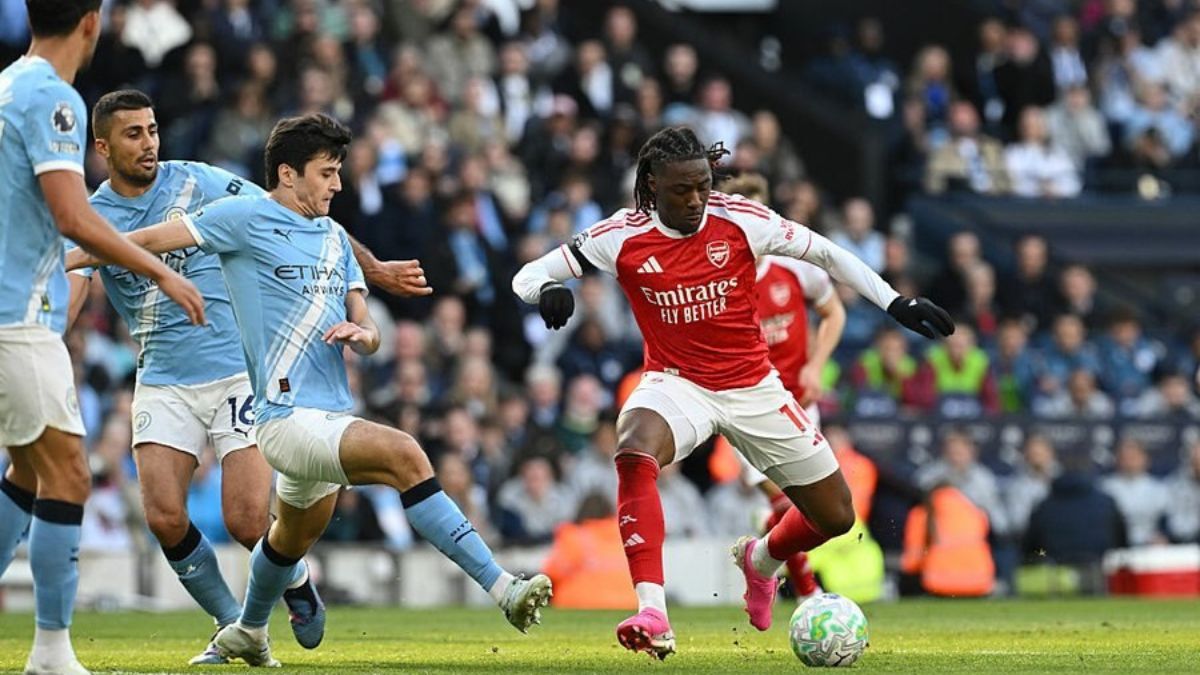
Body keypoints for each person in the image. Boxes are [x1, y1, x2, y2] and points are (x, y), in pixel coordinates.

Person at [67, 113, 551, 667]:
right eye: (327, 173)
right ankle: (504, 589)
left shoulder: (333, 238)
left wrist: (363, 335)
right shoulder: (242, 217)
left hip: (328, 414)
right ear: (288, 174)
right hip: (281, 417)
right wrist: (67, 255)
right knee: (405, 454)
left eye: (339, 172)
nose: (338, 185)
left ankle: (248, 631)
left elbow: (367, 326)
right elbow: (148, 240)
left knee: (281, 540)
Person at [511, 126, 953, 658]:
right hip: (677, 383)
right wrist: (548, 288)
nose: (696, 199)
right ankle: (653, 612)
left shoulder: (741, 219)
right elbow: (526, 275)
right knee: (633, 448)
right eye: (682, 189)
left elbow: (827, 254)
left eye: (703, 185)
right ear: (651, 186)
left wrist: (896, 302)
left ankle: (761, 560)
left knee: (836, 516)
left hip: (753, 387)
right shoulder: (619, 235)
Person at [0, 1, 205, 673]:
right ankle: (51, 653)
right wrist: (161, 270)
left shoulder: (7, 84)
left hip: (18, 311)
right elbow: (72, 215)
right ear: (91, 23)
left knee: (28, 470)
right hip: (15, 316)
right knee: (66, 474)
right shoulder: (52, 99)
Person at [720, 172, 847, 604]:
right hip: (747, 407)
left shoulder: (794, 265)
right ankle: (810, 594)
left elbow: (834, 313)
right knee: (786, 501)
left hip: (800, 402)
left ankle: (766, 545)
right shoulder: (718, 278)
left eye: (760, 212)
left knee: (817, 508)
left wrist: (816, 365)